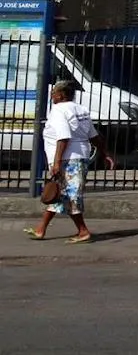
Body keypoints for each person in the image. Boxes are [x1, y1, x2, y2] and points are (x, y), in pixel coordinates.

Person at [27, 80, 115, 243]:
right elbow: (94, 136)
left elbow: (63, 137)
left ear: (60, 95)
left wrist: (57, 162)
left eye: (53, 93)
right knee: (60, 194)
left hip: (68, 159)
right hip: (79, 157)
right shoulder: (80, 109)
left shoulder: (59, 110)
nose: (52, 96)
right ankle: (41, 229)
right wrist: (105, 153)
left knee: (71, 196)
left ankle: (83, 231)